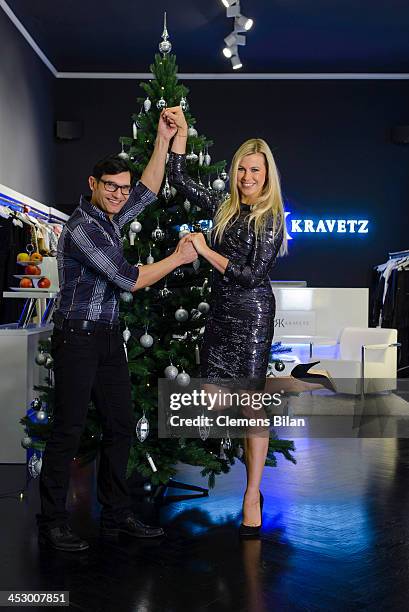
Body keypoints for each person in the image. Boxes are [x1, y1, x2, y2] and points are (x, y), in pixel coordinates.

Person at [37, 111, 197, 552]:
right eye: (111, 186)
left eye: (122, 188)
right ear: (93, 184)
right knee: (67, 430)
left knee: (121, 426)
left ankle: (117, 513)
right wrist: (178, 259)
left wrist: (164, 140)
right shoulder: (82, 228)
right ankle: (51, 521)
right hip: (77, 337)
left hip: (108, 338)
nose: (119, 194)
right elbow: (129, 278)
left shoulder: (111, 216)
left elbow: (148, 189)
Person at [165, 106, 286, 537]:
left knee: (252, 408)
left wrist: (204, 249)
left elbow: (250, 275)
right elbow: (178, 178)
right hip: (220, 314)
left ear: (267, 174)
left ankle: (252, 493)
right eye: (241, 169)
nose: (247, 177)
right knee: (214, 401)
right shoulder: (224, 206)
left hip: (252, 315)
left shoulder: (270, 218)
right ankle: (226, 448)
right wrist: (179, 133)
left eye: (255, 170)